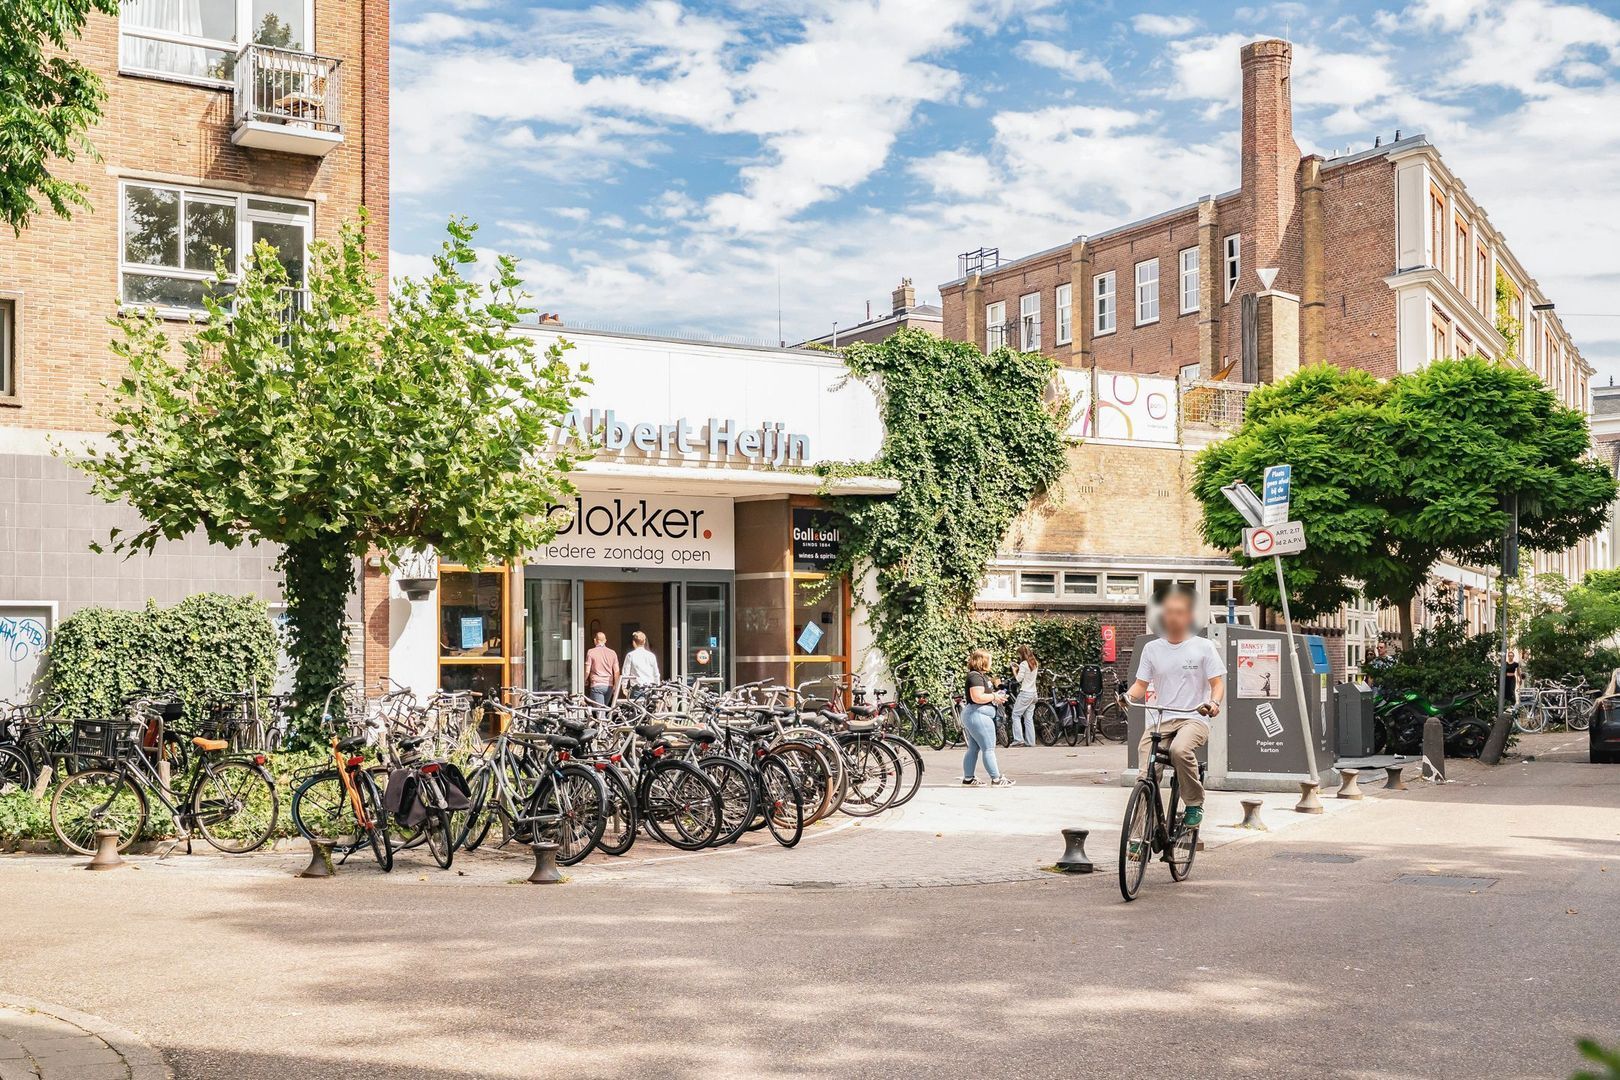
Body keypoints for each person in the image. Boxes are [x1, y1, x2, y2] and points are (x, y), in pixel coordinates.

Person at [1124, 586, 1225, 828]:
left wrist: (1213, 703)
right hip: (1161, 719)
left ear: (1189, 617)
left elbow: (1217, 683)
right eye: (1168, 612)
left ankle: (1193, 803)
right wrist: (1127, 697)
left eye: (1179, 613)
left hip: (1194, 717)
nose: (1172, 617)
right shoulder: (1152, 649)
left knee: (1179, 750)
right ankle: (1139, 833)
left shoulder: (1203, 647)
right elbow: (1140, 685)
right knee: (1146, 775)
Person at [962, 649, 1014, 787]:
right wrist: (994, 696)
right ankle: (996, 779)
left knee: (973, 748)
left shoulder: (979, 676)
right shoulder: (975, 677)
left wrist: (996, 695)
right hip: (978, 715)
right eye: (989, 659)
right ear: (983, 661)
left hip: (975, 715)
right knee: (988, 748)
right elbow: (977, 697)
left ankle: (968, 778)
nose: (990, 662)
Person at [1009, 644, 1040, 747]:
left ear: (1021, 654)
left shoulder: (1023, 664)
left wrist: (1014, 670)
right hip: (1034, 694)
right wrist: (1019, 667)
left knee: (1016, 715)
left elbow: (1019, 679)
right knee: (1028, 718)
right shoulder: (1034, 663)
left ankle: (1018, 739)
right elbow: (1028, 673)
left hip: (1025, 693)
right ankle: (1031, 742)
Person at [583, 631, 620, 707]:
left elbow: (587, 670)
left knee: (600, 713)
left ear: (595, 640)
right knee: (603, 710)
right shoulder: (613, 653)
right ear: (605, 640)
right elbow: (616, 671)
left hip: (597, 685)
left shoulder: (591, 652)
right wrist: (615, 686)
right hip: (609, 686)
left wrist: (583, 681)